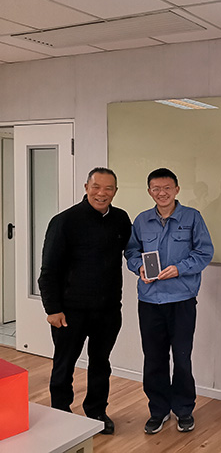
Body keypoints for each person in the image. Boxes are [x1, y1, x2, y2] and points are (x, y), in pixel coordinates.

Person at [38, 167, 132, 435]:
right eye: (96, 187)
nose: (102, 193)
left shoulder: (121, 219)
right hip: (70, 311)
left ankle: (97, 411)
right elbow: (48, 270)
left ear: (115, 191)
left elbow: (134, 252)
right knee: (64, 363)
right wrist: (52, 309)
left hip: (108, 310)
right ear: (86, 187)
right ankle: (60, 413)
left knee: (101, 363)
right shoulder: (65, 221)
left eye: (108, 188)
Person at [125, 168, 213, 434]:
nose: (161, 193)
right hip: (149, 300)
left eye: (167, 188)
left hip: (182, 299)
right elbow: (131, 251)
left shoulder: (192, 217)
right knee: (154, 358)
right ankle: (158, 410)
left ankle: (184, 409)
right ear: (149, 191)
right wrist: (139, 266)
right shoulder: (141, 220)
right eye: (156, 188)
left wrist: (179, 269)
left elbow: (204, 252)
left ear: (177, 189)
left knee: (182, 358)